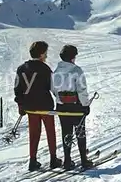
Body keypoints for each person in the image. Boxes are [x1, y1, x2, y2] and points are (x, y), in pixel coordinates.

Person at [14, 41, 62, 172]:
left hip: (30, 106)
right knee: (50, 132)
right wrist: (61, 102)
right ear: (41, 54)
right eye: (45, 53)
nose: (46, 56)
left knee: (34, 133)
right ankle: (53, 159)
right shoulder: (45, 69)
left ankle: (33, 160)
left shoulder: (21, 68)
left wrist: (20, 103)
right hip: (45, 105)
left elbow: (17, 88)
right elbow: (54, 88)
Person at [51, 45, 93, 170]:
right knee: (80, 132)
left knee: (66, 132)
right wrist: (85, 105)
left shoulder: (56, 72)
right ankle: (84, 160)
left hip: (61, 106)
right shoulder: (77, 71)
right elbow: (82, 90)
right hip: (76, 107)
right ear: (72, 57)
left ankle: (67, 161)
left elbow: (54, 90)